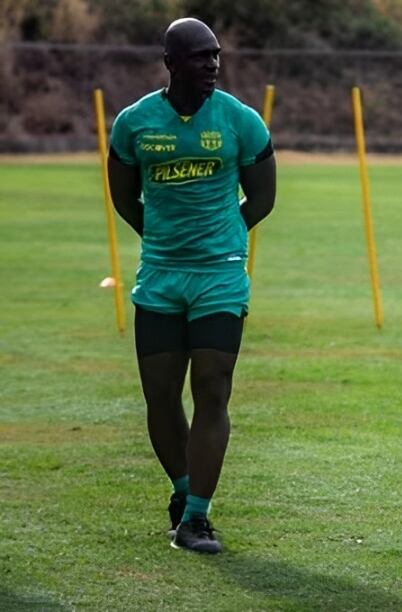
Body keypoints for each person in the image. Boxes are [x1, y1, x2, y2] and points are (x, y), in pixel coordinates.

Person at [107, 17, 276, 554]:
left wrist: (222, 239)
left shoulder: (240, 121)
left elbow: (264, 198)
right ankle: (183, 492)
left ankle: (198, 518)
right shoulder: (134, 123)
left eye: (217, 56)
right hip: (159, 275)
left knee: (212, 386)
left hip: (221, 275)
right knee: (160, 395)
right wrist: (164, 239)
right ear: (171, 62)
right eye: (201, 56)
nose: (212, 65)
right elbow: (123, 197)